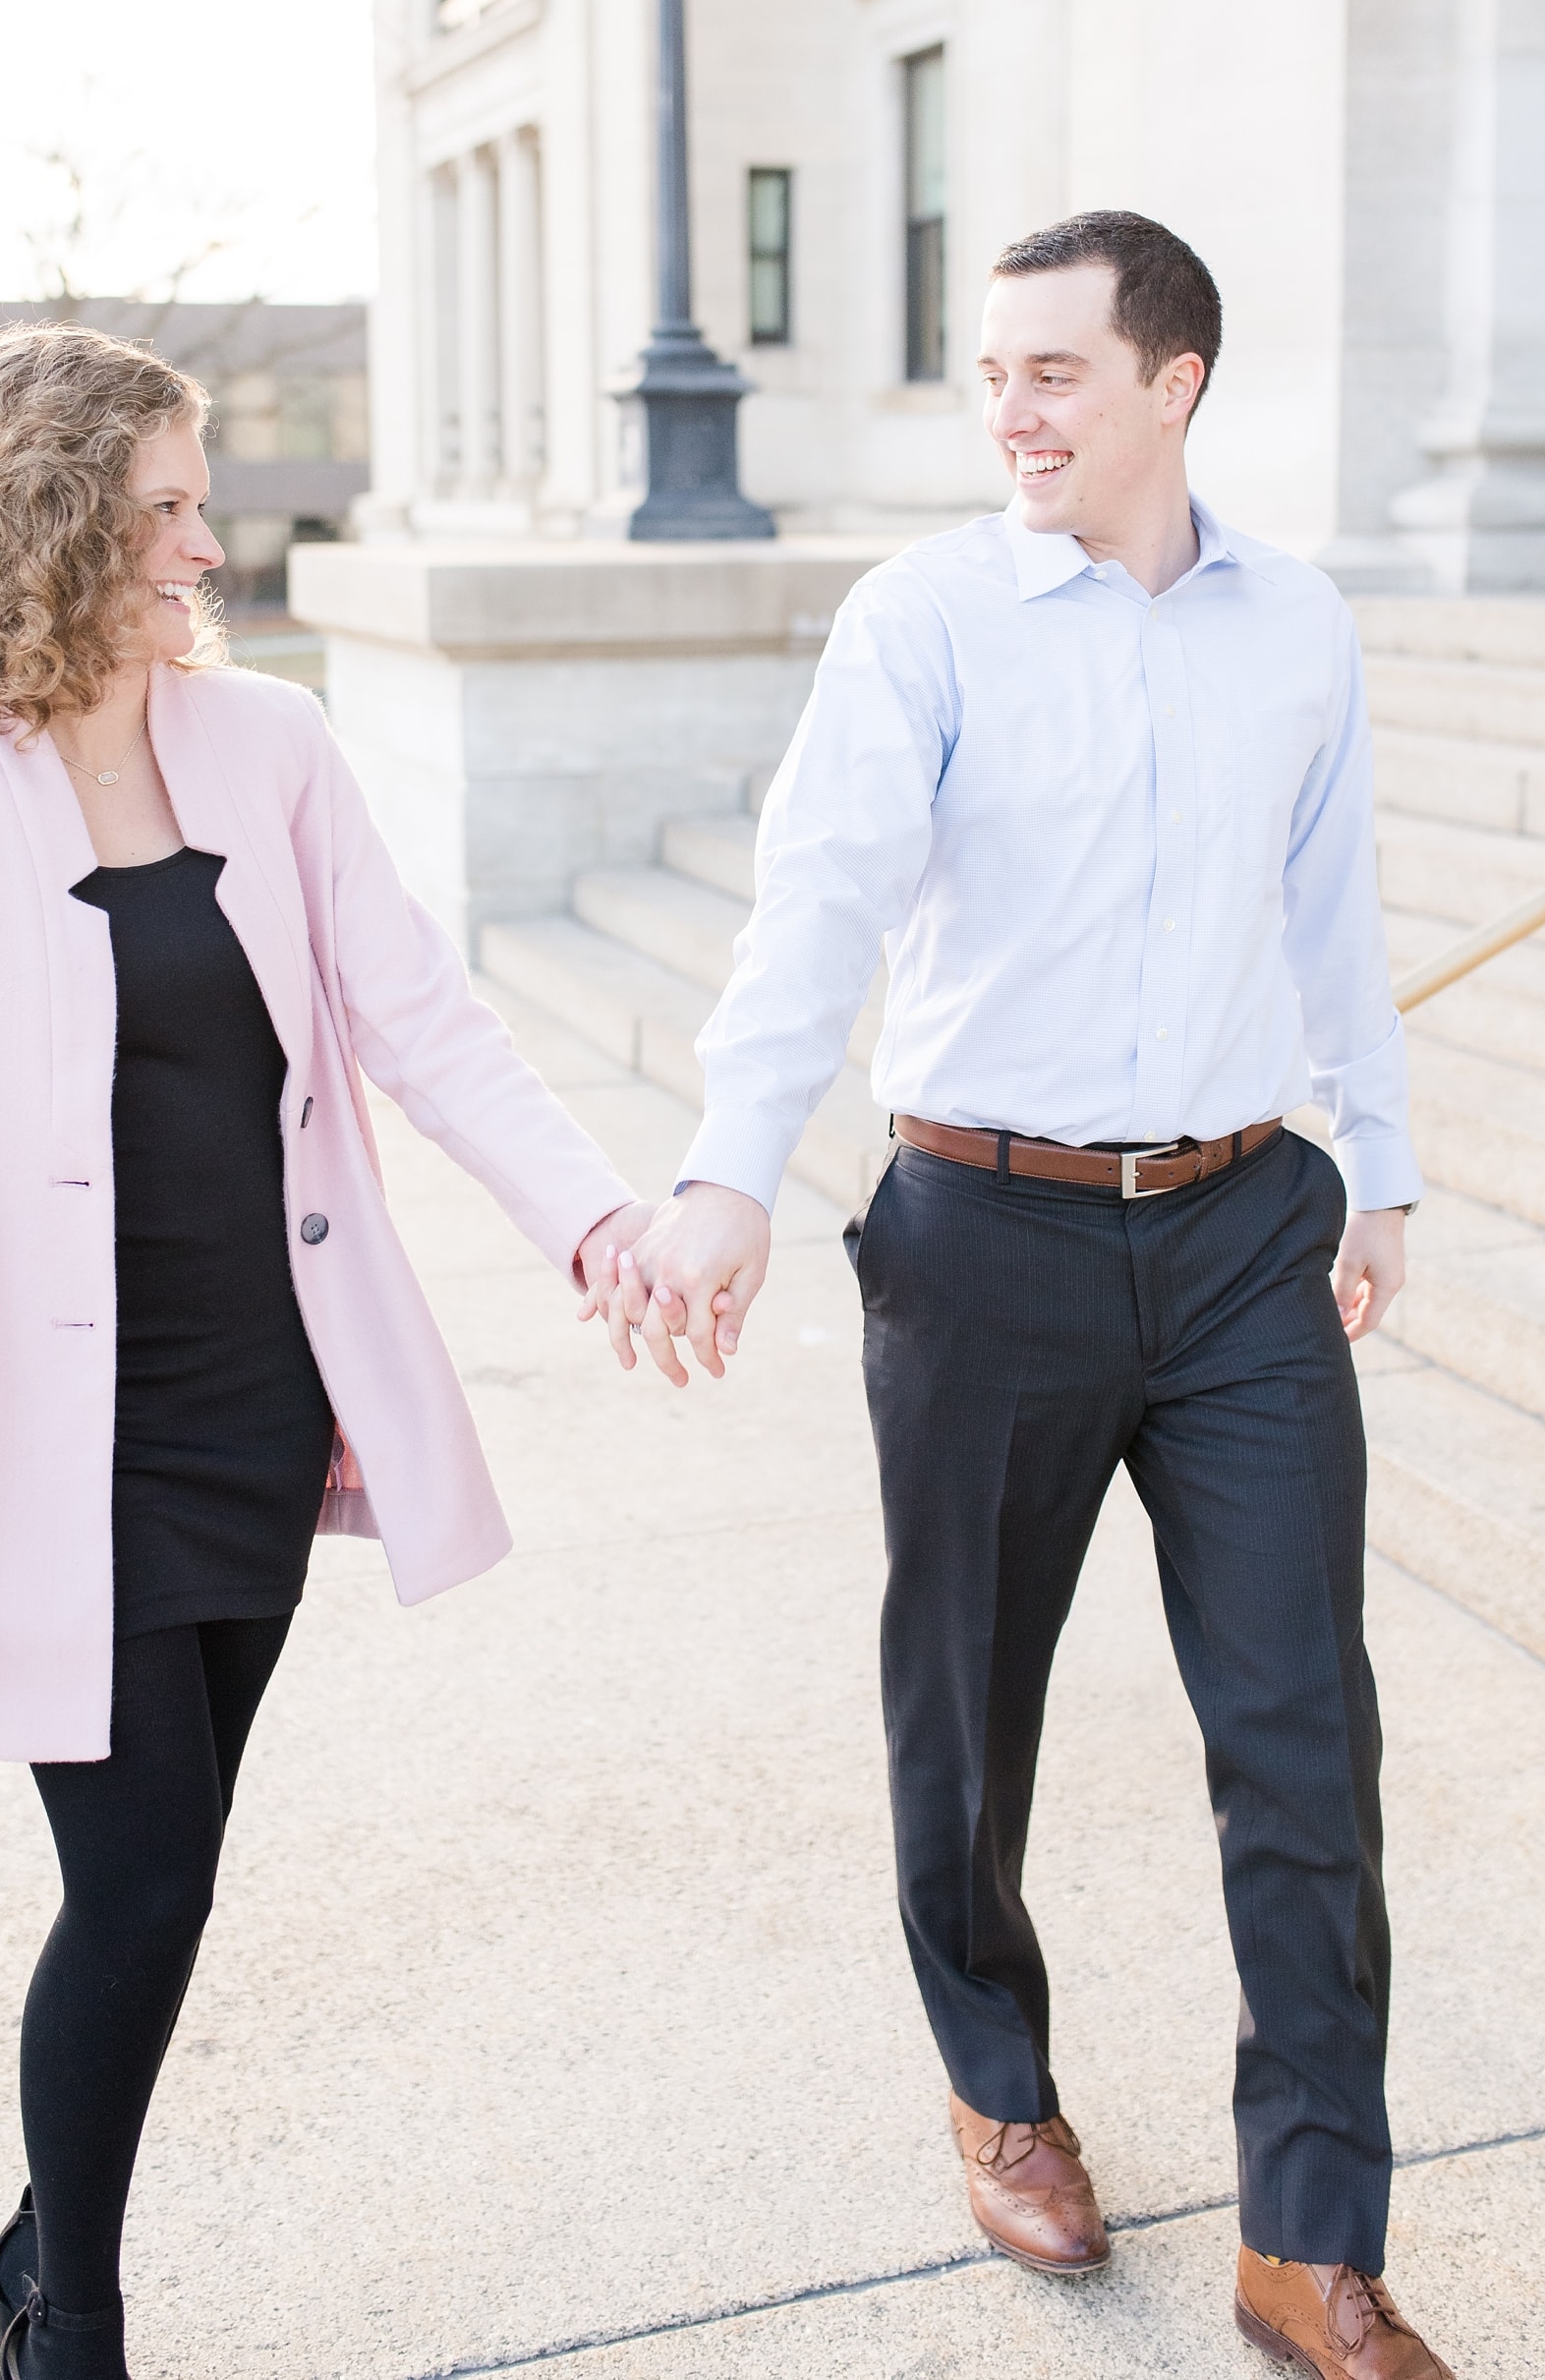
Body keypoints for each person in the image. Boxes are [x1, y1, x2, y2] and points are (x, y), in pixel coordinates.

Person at [600, 213, 1455, 2380]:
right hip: (987, 1240)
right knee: (967, 1714)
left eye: (1053, 372)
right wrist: (728, 1165)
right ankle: (1000, 2084)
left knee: (1301, 1734)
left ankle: (1308, 2239)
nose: (1011, 412)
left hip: (1250, 1230)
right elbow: (817, 906)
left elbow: (1331, 902)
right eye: (993, 373)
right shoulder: (929, 620)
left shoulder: (1296, 626)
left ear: (1173, 382)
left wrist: (1381, 1164)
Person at [0, 325, 648, 2380]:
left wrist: (593, 1220)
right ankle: (66, 2304)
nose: (207, 540)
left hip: (251, 1419)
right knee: (147, 1878)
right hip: (35, 1455)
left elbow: (425, 1023)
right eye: (169, 503)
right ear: (60, 515)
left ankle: (36, 2235)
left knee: (163, 1881)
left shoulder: (266, 743)